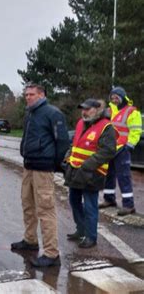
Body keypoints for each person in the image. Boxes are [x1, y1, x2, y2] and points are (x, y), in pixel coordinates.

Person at [10, 84, 69, 267]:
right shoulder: (30, 114)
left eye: (32, 94)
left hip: (43, 169)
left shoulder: (53, 113)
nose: (28, 97)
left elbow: (63, 142)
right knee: (28, 205)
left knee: (45, 210)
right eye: (26, 94)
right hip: (29, 167)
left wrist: (55, 163)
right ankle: (30, 240)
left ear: (42, 95)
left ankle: (52, 254)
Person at [63, 99, 116, 248]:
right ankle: (81, 229)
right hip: (75, 169)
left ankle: (91, 237)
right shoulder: (81, 123)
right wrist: (67, 157)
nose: (84, 112)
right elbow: (75, 143)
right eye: (83, 109)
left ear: (97, 109)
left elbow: (108, 151)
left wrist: (87, 165)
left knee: (90, 205)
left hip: (93, 172)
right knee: (74, 200)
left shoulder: (106, 126)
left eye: (87, 109)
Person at [100, 87, 142, 215]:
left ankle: (129, 205)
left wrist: (130, 145)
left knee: (124, 177)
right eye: (112, 97)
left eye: (116, 97)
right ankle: (109, 199)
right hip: (111, 148)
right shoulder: (110, 110)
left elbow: (136, 130)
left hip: (123, 149)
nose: (114, 99)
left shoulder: (132, 112)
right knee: (108, 175)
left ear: (123, 97)